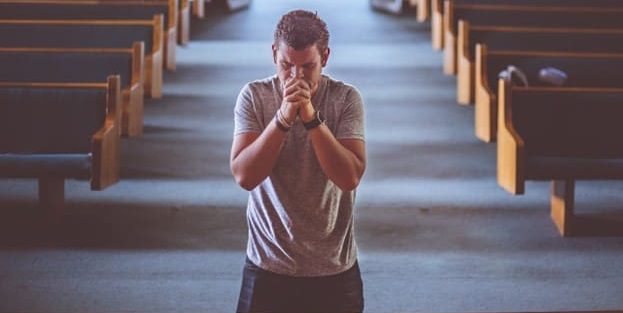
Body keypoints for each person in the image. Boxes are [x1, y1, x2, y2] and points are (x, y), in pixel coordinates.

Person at [230, 9, 366, 313]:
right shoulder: (254, 96)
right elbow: (245, 176)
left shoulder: (345, 98)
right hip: (268, 263)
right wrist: (282, 117)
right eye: (286, 65)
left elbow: (348, 177)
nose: (296, 77)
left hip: (333, 266)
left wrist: (310, 118)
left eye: (308, 67)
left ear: (326, 57)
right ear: (274, 54)